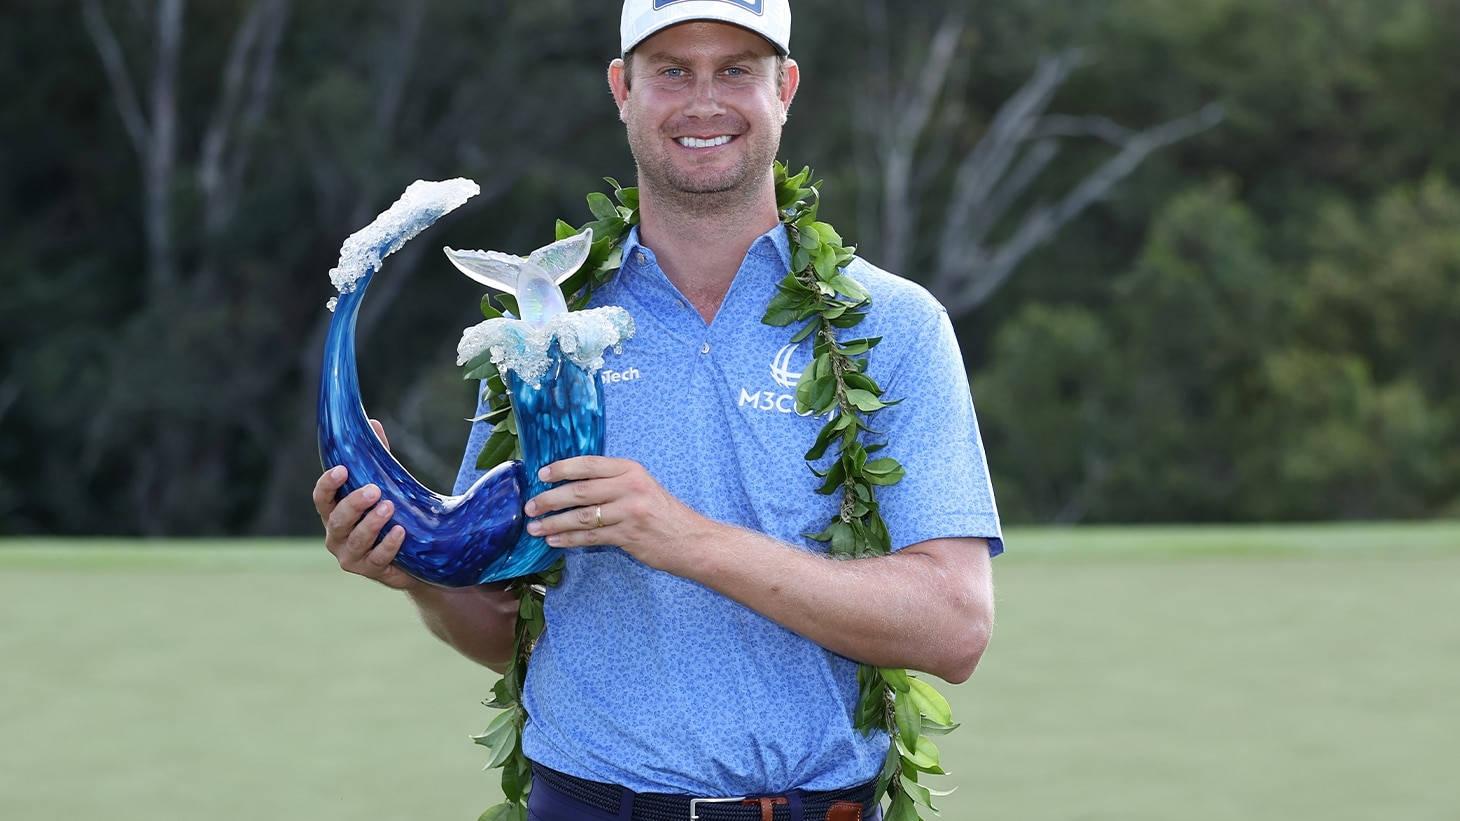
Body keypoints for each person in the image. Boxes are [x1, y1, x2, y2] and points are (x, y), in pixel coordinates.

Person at [313, 1, 1003, 819]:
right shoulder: (542, 324)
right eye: (672, 70)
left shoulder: (895, 325)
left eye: (735, 70)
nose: (702, 101)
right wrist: (414, 574)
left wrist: (682, 537)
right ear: (622, 89)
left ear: (784, 87)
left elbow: (954, 626)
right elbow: (509, 629)